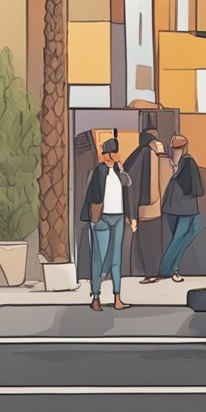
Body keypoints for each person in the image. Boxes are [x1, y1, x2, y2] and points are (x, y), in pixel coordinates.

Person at [81, 130, 136, 311]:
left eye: (109, 153)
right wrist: (92, 220)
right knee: (99, 256)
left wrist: (130, 217)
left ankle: (117, 297)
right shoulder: (99, 171)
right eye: (106, 153)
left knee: (116, 259)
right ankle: (96, 296)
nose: (107, 157)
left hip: (119, 218)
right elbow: (92, 196)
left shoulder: (120, 172)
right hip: (102, 219)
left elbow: (127, 193)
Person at [155, 134, 203, 283]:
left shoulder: (186, 162)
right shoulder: (179, 163)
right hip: (179, 208)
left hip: (182, 208)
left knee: (182, 236)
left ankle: (169, 269)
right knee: (178, 238)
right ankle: (169, 269)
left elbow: (193, 186)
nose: (173, 150)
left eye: (175, 148)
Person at [123, 131, 165, 280]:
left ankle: (150, 273)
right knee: (151, 243)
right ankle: (152, 273)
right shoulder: (149, 154)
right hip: (151, 209)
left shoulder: (137, 155)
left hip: (141, 209)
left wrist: (131, 213)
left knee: (145, 244)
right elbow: (154, 185)